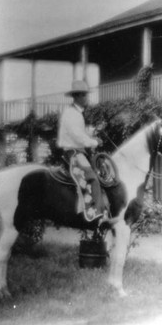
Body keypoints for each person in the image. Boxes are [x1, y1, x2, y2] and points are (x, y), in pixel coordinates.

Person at [57, 80, 106, 222]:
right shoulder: (71, 114)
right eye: (85, 95)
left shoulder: (76, 113)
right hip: (73, 153)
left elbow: (81, 134)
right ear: (77, 96)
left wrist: (93, 135)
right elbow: (78, 137)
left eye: (86, 95)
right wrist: (94, 142)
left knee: (101, 170)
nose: (87, 98)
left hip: (79, 151)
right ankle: (95, 214)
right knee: (91, 177)